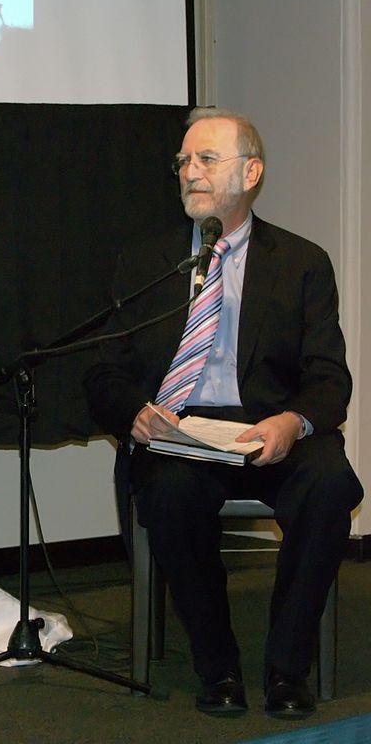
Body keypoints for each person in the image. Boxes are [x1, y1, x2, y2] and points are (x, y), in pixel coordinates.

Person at [84, 107, 363, 720]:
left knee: (329, 482)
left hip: (271, 424)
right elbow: (105, 370)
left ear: (251, 171)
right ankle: (219, 668)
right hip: (180, 427)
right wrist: (134, 411)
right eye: (183, 161)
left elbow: (328, 376)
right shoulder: (147, 262)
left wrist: (294, 423)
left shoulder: (301, 262)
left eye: (206, 159)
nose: (189, 172)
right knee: (173, 492)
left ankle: (289, 670)